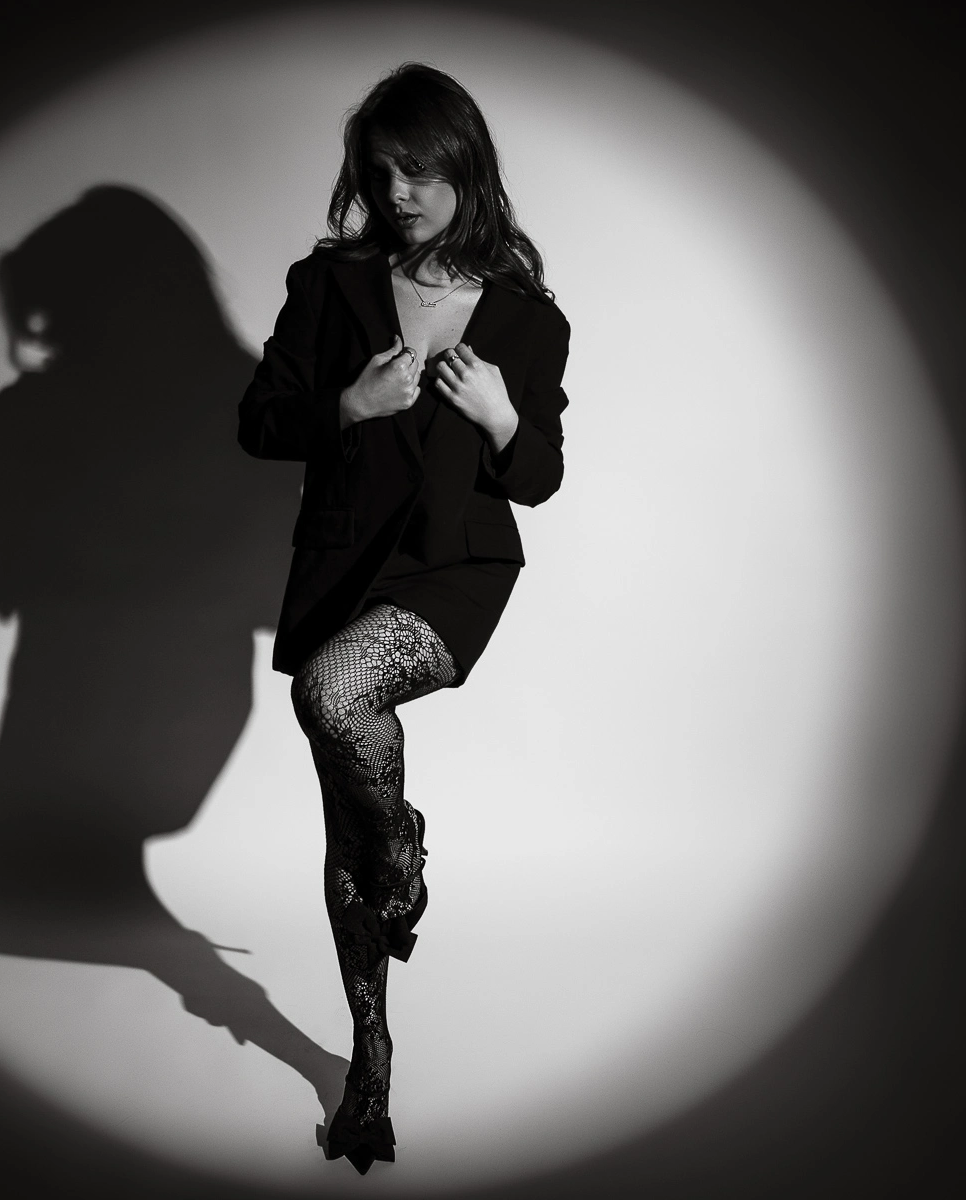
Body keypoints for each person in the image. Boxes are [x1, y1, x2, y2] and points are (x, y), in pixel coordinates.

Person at [238, 63, 570, 1175]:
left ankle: (402, 840)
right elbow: (260, 421)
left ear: (464, 167)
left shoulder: (527, 320)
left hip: (454, 569)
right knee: (344, 828)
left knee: (331, 693)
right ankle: (369, 1060)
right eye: (379, 173)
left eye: (419, 169)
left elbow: (539, 478)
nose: (396, 192)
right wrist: (349, 405)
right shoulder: (329, 285)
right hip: (342, 565)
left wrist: (503, 417)